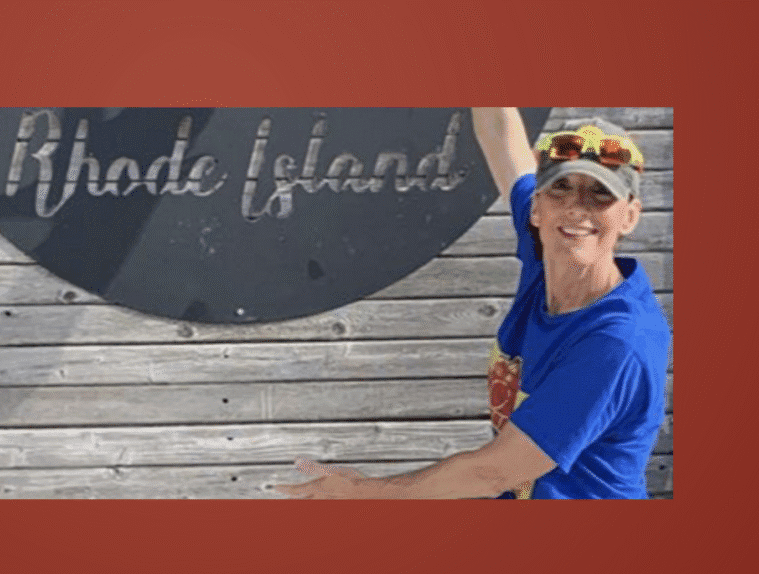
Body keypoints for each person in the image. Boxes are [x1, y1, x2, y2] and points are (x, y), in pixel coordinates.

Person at [276, 108, 671, 499]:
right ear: (536, 207)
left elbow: (493, 472)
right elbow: (500, 133)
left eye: (600, 194)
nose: (575, 208)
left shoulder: (617, 344)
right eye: (561, 187)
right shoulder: (548, 251)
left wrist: (365, 492)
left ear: (630, 217)